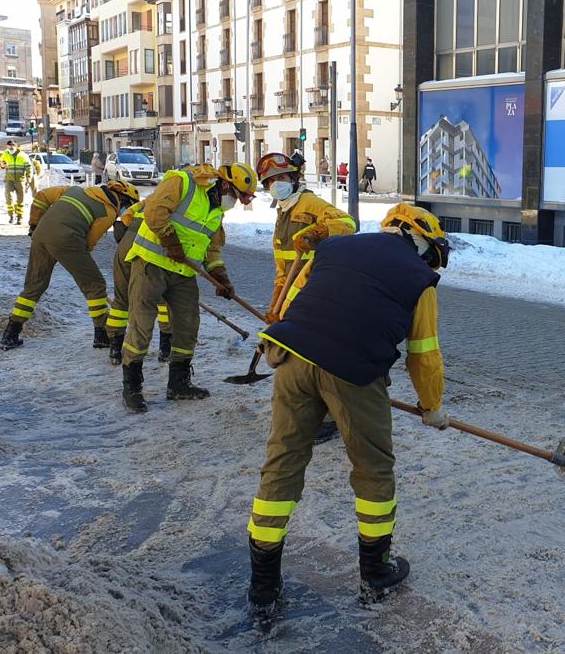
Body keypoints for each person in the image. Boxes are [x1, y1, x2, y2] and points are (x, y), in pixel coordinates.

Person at [245, 204, 452, 616]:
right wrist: (432, 406)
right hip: (354, 374)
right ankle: (375, 574)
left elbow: (291, 303)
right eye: (431, 253)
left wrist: (273, 344)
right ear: (419, 239)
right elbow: (423, 353)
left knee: (282, 463)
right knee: (373, 470)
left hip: (291, 359)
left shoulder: (334, 249)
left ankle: (263, 586)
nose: (429, 262)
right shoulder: (420, 280)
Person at [119, 163, 257, 414]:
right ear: (224, 184)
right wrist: (171, 241)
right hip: (151, 264)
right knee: (142, 327)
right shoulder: (183, 182)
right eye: (235, 195)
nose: (234, 201)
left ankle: (179, 383)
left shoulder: (217, 212)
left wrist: (220, 276)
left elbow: (211, 249)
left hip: (183, 274)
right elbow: (154, 212)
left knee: (188, 324)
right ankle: (132, 387)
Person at [256, 150, 358, 444]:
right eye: (270, 181)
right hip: (294, 296)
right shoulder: (283, 213)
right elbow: (282, 265)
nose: (277, 184)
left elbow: (348, 224)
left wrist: (318, 231)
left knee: (315, 357)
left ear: (294, 177)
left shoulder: (309, 203)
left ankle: (327, 420)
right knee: (298, 358)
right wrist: (277, 301)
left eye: (281, 178)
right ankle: (311, 413)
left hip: (318, 292)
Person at [0, 180, 140, 351]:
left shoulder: (73, 190)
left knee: (34, 285)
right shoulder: (108, 212)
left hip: (41, 235)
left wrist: (35, 224)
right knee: (95, 285)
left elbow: (41, 197)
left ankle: (11, 333)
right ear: (122, 199)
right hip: (68, 241)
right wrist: (79, 262)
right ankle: (101, 334)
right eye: (128, 206)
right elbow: (89, 241)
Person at [106, 199, 174, 366]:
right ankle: (165, 350)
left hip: (126, 244)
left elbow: (126, 217)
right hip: (149, 248)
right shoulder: (185, 200)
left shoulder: (150, 199)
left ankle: (115, 350)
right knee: (164, 299)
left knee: (121, 299)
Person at [0, 141, 32, 224]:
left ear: (16, 146)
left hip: (20, 180)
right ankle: (11, 216)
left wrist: (29, 178)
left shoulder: (23, 155)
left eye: (12, 146)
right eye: (9, 146)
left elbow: (29, 167)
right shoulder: (5, 154)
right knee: (9, 198)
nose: (10, 148)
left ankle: (20, 217)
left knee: (20, 200)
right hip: (9, 180)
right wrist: (2, 165)